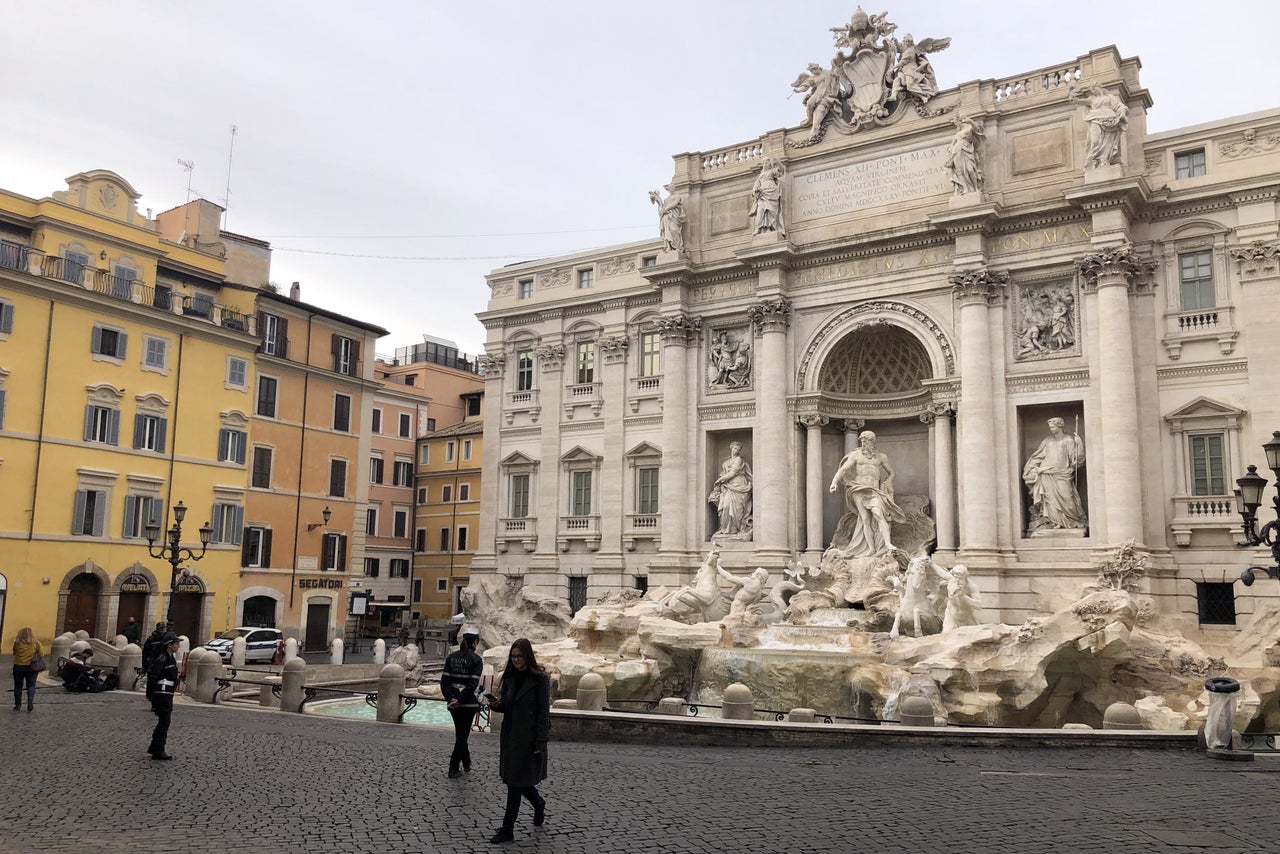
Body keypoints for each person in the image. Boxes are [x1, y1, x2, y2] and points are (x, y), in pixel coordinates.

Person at [486, 638, 550, 844]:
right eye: (513, 657)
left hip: (528, 739)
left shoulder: (540, 679)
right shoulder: (510, 677)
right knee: (518, 781)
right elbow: (507, 704)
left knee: (515, 784)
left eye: (519, 657)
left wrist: (540, 742)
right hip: (511, 736)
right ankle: (538, 803)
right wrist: (495, 705)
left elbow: (543, 713)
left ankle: (507, 829)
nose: (516, 660)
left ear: (528, 656)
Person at [828, 430, 906, 558]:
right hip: (859, 489)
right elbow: (843, 469)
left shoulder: (881, 457)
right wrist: (834, 482)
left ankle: (887, 544)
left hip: (874, 490)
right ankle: (870, 549)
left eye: (867, 441)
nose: (864, 443)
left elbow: (892, 473)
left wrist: (887, 482)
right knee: (865, 519)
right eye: (862, 441)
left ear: (873, 441)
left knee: (878, 514)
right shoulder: (856, 455)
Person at [1022, 417, 1087, 533]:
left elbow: (1076, 460)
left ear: (1060, 426)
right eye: (1050, 427)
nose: (1051, 429)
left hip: (1063, 473)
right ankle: (1054, 523)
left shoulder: (1068, 440)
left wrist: (1080, 445)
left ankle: (1071, 521)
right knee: (1050, 500)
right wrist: (1031, 469)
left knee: (1067, 497)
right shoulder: (1047, 441)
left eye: (1053, 427)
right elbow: (1038, 456)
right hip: (1046, 474)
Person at [441, 626, 484, 779]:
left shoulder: (451, 658)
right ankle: (453, 768)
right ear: (476, 642)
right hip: (468, 704)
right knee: (462, 736)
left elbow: (444, 682)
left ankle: (466, 762)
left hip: (453, 703)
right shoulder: (477, 660)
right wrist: (460, 700)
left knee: (461, 734)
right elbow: (472, 684)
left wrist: (451, 699)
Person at [1071, 83, 1128, 169]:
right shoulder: (1091, 100)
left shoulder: (1109, 97)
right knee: (1095, 141)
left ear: (1099, 87)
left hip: (1110, 119)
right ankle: (1094, 159)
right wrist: (1071, 93)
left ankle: (1103, 160)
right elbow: (1076, 101)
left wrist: (1122, 114)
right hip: (1095, 118)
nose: (1093, 91)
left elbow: (1120, 106)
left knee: (1107, 141)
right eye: (1091, 90)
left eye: (1094, 88)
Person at [146, 631, 181, 760]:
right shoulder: (162, 658)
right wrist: (150, 695)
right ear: (169, 645)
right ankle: (158, 750)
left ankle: (155, 747)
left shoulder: (169, 657)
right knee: (164, 722)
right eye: (176, 644)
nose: (178, 646)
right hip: (162, 694)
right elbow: (153, 676)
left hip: (167, 693)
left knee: (164, 722)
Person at [707, 442, 753, 538]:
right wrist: (720, 481)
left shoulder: (739, 460)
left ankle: (737, 530)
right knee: (726, 506)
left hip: (739, 485)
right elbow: (724, 473)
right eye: (735, 449)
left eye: (738, 450)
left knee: (738, 509)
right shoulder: (726, 462)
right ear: (731, 448)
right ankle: (725, 530)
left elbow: (733, 473)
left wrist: (719, 480)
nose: (736, 451)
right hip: (728, 486)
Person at [945, 114, 984, 195]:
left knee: (970, 170)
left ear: (960, 121)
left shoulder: (968, 128)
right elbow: (952, 145)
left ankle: (974, 188)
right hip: (957, 153)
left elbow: (977, 129)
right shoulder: (957, 134)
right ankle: (966, 188)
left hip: (967, 151)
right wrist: (950, 153)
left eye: (956, 122)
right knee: (960, 172)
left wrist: (970, 121)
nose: (956, 125)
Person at [749, 157, 786, 235]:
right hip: (762, 193)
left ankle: (770, 227)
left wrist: (776, 161)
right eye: (764, 163)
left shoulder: (772, 171)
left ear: (770, 165)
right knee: (760, 211)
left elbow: (781, 170)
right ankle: (759, 228)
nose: (764, 164)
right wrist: (756, 190)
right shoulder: (761, 175)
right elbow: (757, 183)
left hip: (771, 191)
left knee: (770, 210)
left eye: (767, 163)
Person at [11, 626, 41, 712]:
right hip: (31, 667)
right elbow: (41, 654)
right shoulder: (36, 643)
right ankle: (30, 700)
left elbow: (14, 652)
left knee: (18, 686)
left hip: (18, 667)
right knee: (31, 685)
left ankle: (17, 705)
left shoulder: (17, 643)